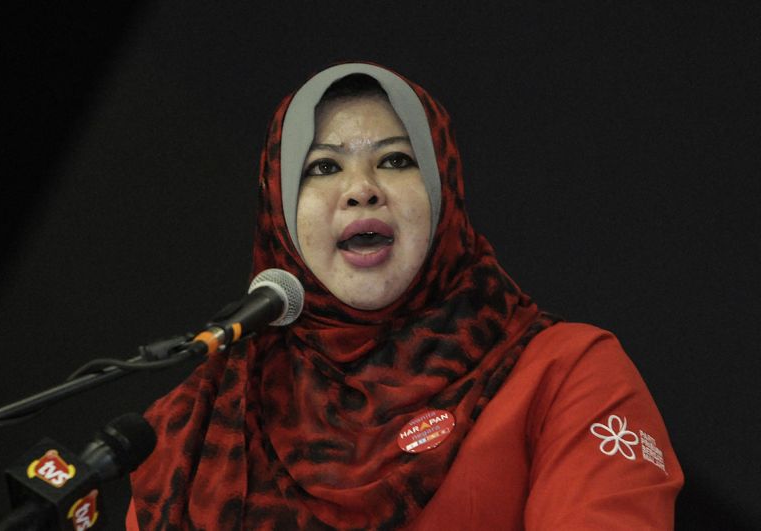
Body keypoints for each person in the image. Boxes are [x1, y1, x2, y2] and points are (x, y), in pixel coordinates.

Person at [127, 63, 683, 530]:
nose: (361, 189)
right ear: (278, 210)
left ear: (444, 192)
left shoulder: (563, 373)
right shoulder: (198, 421)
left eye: (395, 160)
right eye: (323, 167)